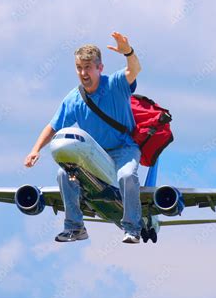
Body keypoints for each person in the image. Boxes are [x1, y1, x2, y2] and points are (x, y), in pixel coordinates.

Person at [24, 32, 142, 244]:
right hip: (94, 154)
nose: (83, 73)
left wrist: (128, 52)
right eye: (79, 68)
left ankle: (133, 228)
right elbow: (52, 126)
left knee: (126, 176)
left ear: (100, 68)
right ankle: (75, 228)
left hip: (124, 149)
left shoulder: (115, 84)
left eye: (88, 67)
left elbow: (134, 70)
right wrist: (35, 150)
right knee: (63, 174)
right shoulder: (73, 99)